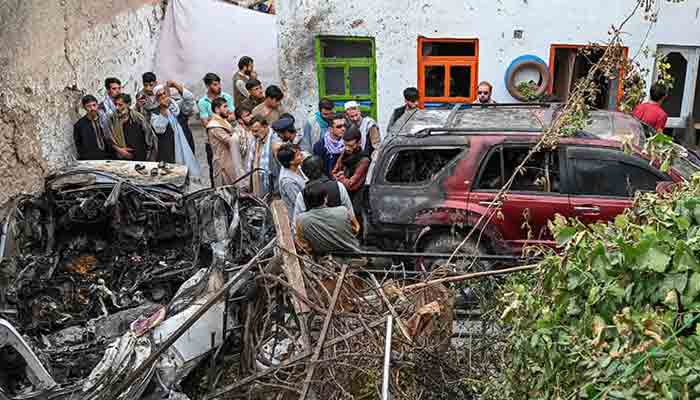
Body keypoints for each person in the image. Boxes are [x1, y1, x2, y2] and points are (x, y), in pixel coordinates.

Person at [294, 182, 361, 256]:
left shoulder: (301, 220)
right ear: (325, 198)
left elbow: (303, 245)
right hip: (352, 254)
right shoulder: (343, 211)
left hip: (324, 259)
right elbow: (356, 229)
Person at [151, 84, 201, 177]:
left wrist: (175, 85)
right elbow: (159, 129)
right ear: (156, 99)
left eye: (164, 93)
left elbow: (190, 99)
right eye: (159, 95)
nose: (163, 96)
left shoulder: (178, 106)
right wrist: (163, 109)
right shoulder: (155, 113)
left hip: (186, 145)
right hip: (170, 151)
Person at [292, 155, 355, 226]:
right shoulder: (338, 186)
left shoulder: (303, 194)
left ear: (305, 173)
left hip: (316, 233)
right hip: (339, 231)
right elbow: (350, 213)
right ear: (323, 168)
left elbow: (297, 223)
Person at [198, 73, 235, 186]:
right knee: (215, 169)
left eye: (219, 84)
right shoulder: (203, 102)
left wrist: (215, 117)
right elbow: (205, 123)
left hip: (228, 136)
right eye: (215, 84)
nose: (219, 87)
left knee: (231, 168)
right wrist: (223, 118)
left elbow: (233, 117)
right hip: (212, 141)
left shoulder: (227, 97)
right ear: (208, 86)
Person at [207, 97, 249, 189]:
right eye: (225, 107)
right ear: (217, 109)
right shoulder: (214, 126)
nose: (228, 110)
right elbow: (231, 140)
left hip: (231, 159)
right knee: (226, 192)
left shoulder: (222, 121)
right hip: (222, 163)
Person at [332, 126, 370, 216]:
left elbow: (351, 185)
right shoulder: (344, 154)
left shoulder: (364, 160)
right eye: (345, 145)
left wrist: (340, 176)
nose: (347, 148)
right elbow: (333, 172)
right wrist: (341, 177)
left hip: (356, 200)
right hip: (343, 197)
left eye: (351, 145)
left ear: (359, 143)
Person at [110, 93, 156, 161]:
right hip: (121, 157)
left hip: (140, 156)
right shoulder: (112, 119)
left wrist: (148, 153)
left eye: (120, 105)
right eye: (115, 105)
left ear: (128, 104)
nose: (117, 107)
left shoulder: (138, 118)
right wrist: (119, 150)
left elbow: (148, 136)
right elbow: (109, 139)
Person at [73, 95, 114, 160]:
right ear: (84, 107)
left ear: (97, 105)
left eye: (94, 105)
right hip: (90, 160)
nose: (92, 108)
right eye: (88, 106)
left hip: (109, 157)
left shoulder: (104, 120)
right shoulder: (79, 125)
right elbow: (79, 146)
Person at [249, 116, 277, 196]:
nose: (254, 134)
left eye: (256, 131)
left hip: (274, 185)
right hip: (262, 182)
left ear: (265, 127)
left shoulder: (275, 139)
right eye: (252, 132)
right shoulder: (256, 141)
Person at [277, 144, 306, 218]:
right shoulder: (288, 181)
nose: (302, 155)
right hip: (300, 217)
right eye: (298, 155)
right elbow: (299, 202)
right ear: (291, 162)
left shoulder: (296, 167)